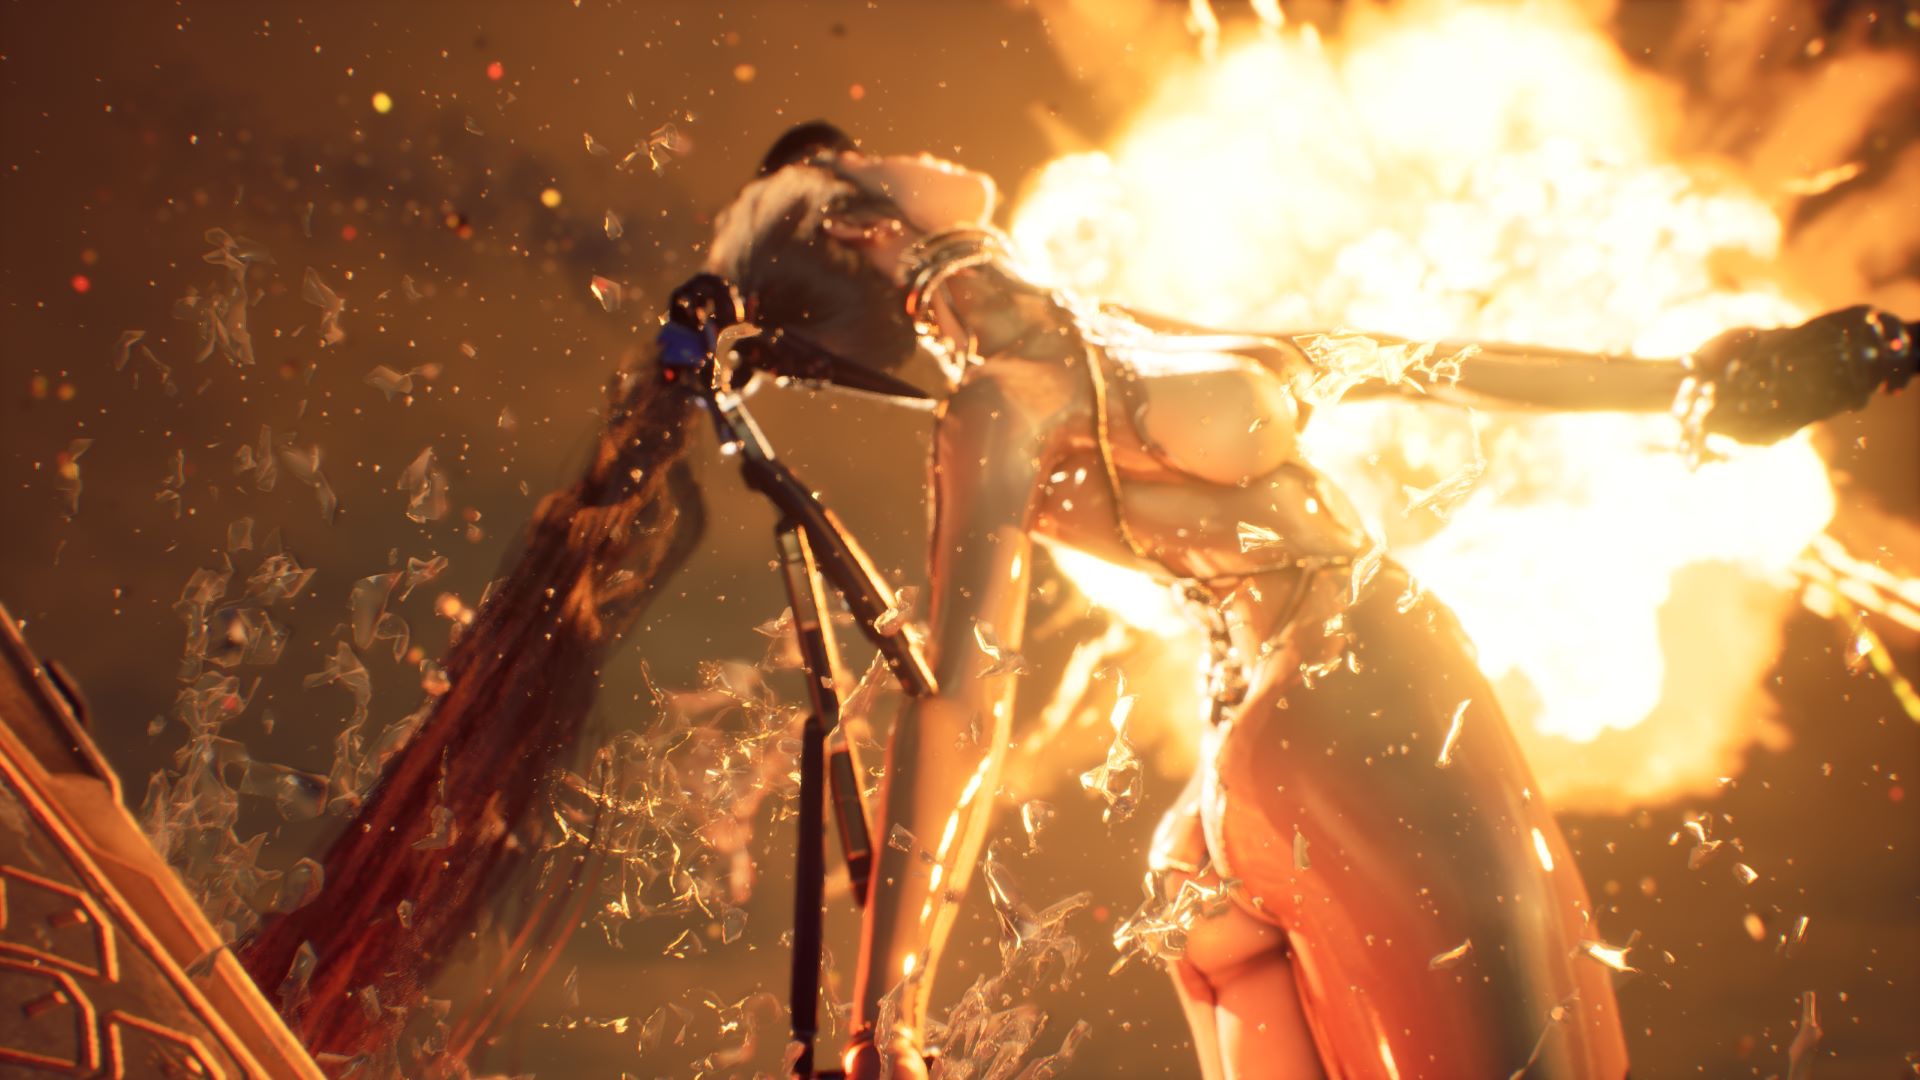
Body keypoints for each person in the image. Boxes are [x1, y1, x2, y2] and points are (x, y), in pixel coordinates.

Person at [689, 124, 1914, 1080]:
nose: (901, 152)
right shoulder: (1003, 403)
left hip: (1236, 799)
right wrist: (885, 1021)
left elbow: (1417, 365)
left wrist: (1703, 387)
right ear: (861, 224)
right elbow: (961, 700)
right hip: (1357, 701)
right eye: (864, 163)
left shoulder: (1071, 357)